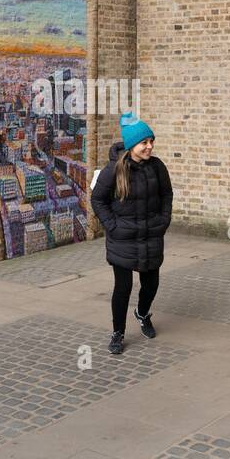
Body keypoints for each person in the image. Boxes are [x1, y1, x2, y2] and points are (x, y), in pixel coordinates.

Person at [90, 112, 173, 355]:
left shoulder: (157, 168)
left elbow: (167, 195)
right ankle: (118, 333)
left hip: (151, 235)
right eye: (144, 142)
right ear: (131, 145)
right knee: (123, 287)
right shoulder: (114, 170)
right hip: (123, 239)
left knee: (151, 283)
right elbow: (98, 200)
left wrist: (163, 220)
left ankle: (143, 313)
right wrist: (112, 226)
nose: (150, 146)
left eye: (151, 141)